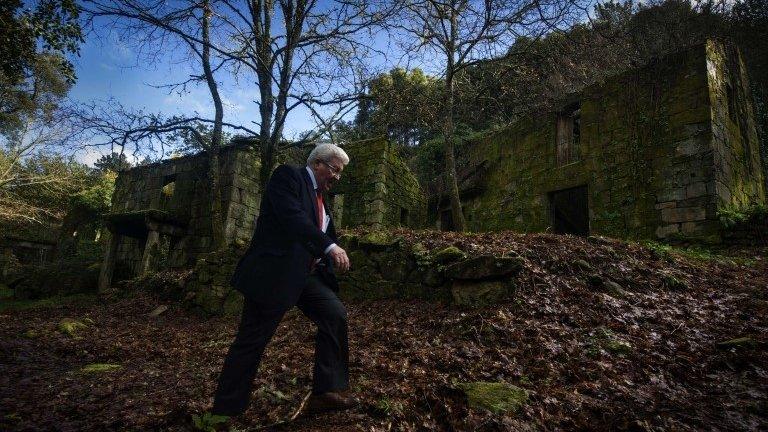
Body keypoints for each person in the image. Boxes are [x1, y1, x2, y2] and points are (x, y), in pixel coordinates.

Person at [211, 144, 356, 418]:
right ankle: (224, 412)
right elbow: (293, 218)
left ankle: (325, 391)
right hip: (274, 274)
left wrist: (330, 253)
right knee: (252, 341)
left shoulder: (322, 201)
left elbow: (324, 234)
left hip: (307, 277)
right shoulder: (288, 177)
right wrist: (328, 247)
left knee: (335, 315)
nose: (337, 177)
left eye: (340, 173)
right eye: (335, 170)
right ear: (317, 164)